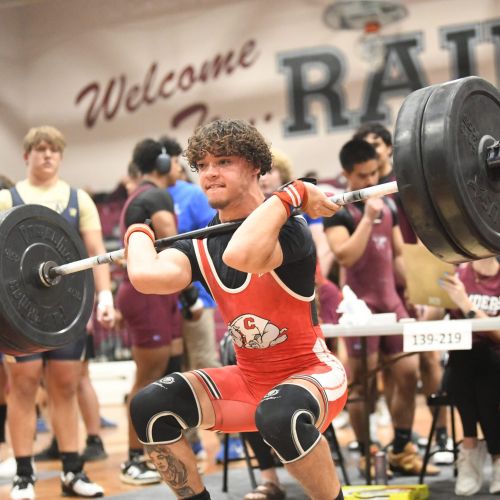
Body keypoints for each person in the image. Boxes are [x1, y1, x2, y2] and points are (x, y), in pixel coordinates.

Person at [124, 119, 347, 500]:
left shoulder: (291, 228)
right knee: (149, 406)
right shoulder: (198, 244)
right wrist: (138, 232)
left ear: (255, 166)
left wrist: (290, 195)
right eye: (203, 165)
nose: (210, 173)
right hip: (248, 383)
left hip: (311, 375)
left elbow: (241, 255)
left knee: (278, 416)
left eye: (223, 162)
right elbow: (146, 276)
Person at [0, 125, 115, 499]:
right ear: (27, 156)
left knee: (65, 387)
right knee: (23, 387)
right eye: (40, 149)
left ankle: (72, 471)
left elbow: (95, 252)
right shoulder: (7, 199)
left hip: (65, 311)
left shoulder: (79, 199)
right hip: (19, 316)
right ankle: (23, 476)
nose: (47, 155)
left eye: (54, 149)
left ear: (61, 156)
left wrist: (105, 297)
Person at [323, 138, 437, 478]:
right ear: (346, 174)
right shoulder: (337, 211)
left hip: (391, 301)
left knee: (409, 372)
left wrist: (413, 292)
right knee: (363, 385)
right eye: (363, 176)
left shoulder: (388, 205)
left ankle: (401, 448)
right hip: (360, 307)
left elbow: (398, 254)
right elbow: (345, 256)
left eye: (374, 173)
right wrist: (367, 218)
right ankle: (366, 451)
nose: (371, 181)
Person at [115, 137, 183, 486]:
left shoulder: (142, 195)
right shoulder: (156, 196)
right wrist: (192, 294)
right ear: (161, 164)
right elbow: (174, 244)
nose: (180, 168)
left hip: (157, 293)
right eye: (176, 161)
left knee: (165, 374)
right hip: (147, 294)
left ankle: (161, 452)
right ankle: (132, 459)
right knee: (147, 379)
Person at [423, 258, 500, 496]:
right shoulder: (456, 274)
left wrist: (465, 303)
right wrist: (435, 297)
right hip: (460, 364)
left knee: (485, 363)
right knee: (464, 361)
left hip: (494, 361)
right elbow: (427, 323)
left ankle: (471, 445)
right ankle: (494, 453)